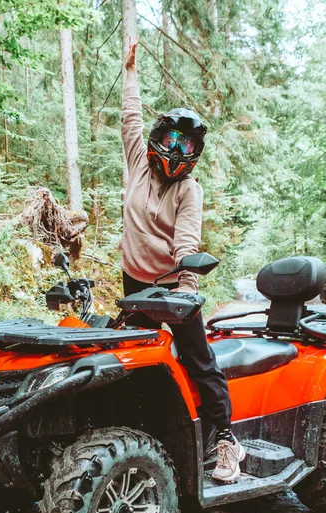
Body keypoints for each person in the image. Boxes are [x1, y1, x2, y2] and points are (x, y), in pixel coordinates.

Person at [121, 36, 245, 483]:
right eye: (172, 139)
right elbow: (129, 118)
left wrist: (186, 291)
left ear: (195, 154)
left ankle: (227, 440)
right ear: (157, 140)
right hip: (134, 283)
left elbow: (186, 242)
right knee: (127, 360)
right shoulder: (137, 161)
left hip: (174, 285)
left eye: (187, 145)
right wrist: (131, 72)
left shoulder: (188, 190)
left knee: (198, 359)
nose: (177, 150)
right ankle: (143, 437)